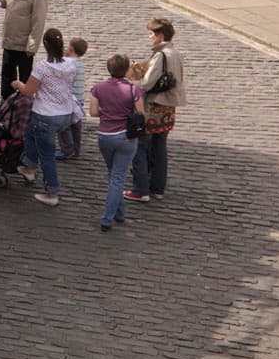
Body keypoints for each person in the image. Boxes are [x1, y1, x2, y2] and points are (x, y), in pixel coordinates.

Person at [14, 28, 78, 206]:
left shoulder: (43, 67)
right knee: (30, 133)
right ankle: (29, 166)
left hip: (47, 115)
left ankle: (51, 191)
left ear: (45, 45)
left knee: (47, 154)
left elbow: (28, 91)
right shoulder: (71, 64)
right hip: (65, 113)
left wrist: (18, 84)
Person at [129, 17, 185, 202]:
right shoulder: (175, 52)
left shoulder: (161, 55)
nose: (150, 36)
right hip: (169, 107)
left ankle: (141, 189)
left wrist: (132, 82)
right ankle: (158, 188)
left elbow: (147, 83)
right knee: (160, 147)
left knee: (142, 147)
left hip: (154, 106)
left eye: (152, 33)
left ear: (160, 35)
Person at [90, 54, 143, 230]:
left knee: (114, 175)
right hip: (126, 137)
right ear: (126, 69)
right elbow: (140, 115)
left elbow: (93, 112)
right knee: (118, 178)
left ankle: (120, 213)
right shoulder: (133, 89)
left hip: (104, 136)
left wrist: (107, 113)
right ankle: (107, 219)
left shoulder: (98, 88)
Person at [0, 0, 48, 95]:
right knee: (7, 74)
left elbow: (39, 22)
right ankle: (6, 103)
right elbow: (8, 2)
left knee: (24, 77)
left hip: (23, 44)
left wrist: (32, 46)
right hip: (10, 40)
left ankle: (22, 104)